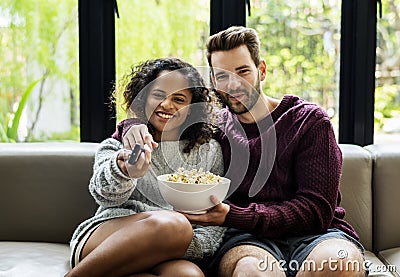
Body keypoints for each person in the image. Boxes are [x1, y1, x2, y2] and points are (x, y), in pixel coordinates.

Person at [115, 27, 366, 277]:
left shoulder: (308, 122)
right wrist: (133, 125)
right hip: (247, 240)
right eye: (223, 75)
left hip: (317, 236)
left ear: (262, 70)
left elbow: (316, 211)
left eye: (243, 71)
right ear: (214, 81)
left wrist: (234, 215)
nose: (233, 84)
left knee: (339, 265)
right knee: (253, 273)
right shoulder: (212, 127)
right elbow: (161, 123)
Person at [66, 57, 226, 277]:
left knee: (189, 275)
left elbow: (215, 219)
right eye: (158, 95)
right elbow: (103, 195)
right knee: (176, 224)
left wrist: (177, 244)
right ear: (144, 98)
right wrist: (123, 172)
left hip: (170, 250)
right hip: (107, 236)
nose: (167, 105)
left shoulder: (209, 152)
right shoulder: (120, 143)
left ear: (191, 108)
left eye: (179, 99)